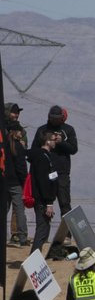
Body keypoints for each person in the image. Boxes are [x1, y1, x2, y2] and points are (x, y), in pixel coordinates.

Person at [37, 106, 79, 253]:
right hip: (46, 172)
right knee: (44, 204)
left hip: (62, 172)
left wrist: (61, 142)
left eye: (58, 118)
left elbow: (74, 149)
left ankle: (67, 235)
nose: (55, 120)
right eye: (53, 118)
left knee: (64, 203)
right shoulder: (42, 130)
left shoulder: (68, 130)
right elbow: (36, 148)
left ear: (62, 118)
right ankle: (42, 236)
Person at [26, 126, 65, 258]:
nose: (55, 142)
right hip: (42, 200)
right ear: (47, 141)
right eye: (53, 139)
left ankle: (36, 259)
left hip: (44, 199)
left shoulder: (46, 156)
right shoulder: (42, 158)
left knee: (45, 229)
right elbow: (43, 182)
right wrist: (49, 202)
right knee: (42, 229)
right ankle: (33, 260)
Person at [3, 103, 28, 246]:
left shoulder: (5, 144)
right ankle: (22, 236)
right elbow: (21, 166)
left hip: (5, 180)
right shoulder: (17, 146)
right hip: (16, 182)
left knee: (5, 209)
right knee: (19, 209)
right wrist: (25, 182)